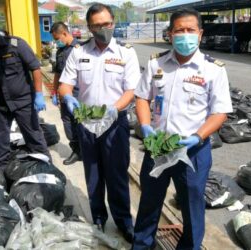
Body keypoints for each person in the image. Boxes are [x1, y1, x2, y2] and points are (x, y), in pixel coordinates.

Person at [132, 8, 233, 250]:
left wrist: (198, 136)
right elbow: (142, 97)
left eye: (190, 30)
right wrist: (145, 125)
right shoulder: (156, 62)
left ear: (200, 34)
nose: (185, 35)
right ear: (170, 34)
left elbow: (220, 112)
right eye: (179, 30)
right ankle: (142, 245)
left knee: (192, 207)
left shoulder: (213, 69)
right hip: (157, 147)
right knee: (149, 202)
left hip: (192, 152)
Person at [59, 3, 140, 243]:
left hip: (115, 124)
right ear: (90, 27)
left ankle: (124, 222)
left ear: (113, 23)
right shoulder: (79, 52)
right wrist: (69, 99)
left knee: (116, 175)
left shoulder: (126, 53)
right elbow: (65, 84)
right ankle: (98, 218)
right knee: (93, 175)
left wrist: (113, 110)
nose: (102, 28)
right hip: (86, 123)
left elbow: (131, 91)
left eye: (106, 24)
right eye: (96, 25)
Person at [0, 24, 50, 168]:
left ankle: (46, 168)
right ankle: (0, 173)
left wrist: (39, 94)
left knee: (34, 136)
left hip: (23, 101)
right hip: (1, 104)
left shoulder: (16, 45)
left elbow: (35, 68)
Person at [50, 22, 82, 165]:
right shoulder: (60, 51)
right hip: (64, 95)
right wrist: (54, 91)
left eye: (57, 38)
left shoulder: (81, 49)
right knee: (67, 122)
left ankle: (84, 151)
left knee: (81, 123)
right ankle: (76, 150)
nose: (56, 42)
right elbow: (57, 73)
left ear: (64, 33)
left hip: (78, 95)